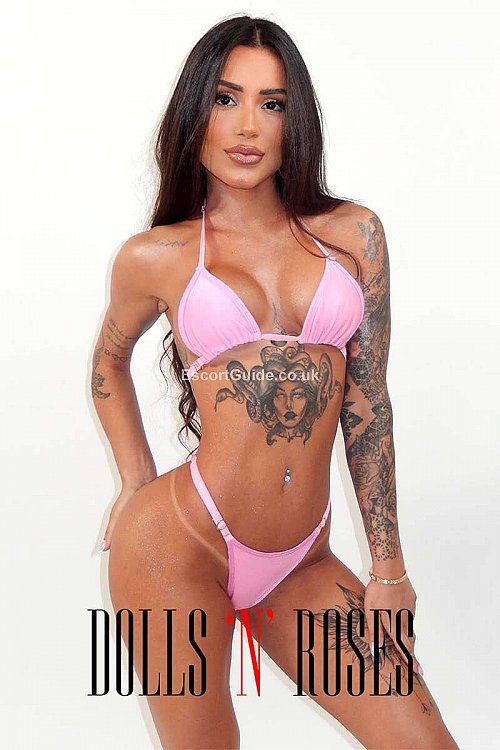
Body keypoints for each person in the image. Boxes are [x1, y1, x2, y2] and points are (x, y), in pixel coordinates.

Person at [91, 15, 459, 750]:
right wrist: (133, 480)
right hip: (174, 548)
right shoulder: (156, 255)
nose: (248, 126)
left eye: (273, 103)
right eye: (226, 99)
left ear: (297, 120)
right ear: (195, 112)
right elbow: (109, 360)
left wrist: (387, 566)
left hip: (302, 562)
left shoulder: (353, 236)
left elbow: (368, 404)